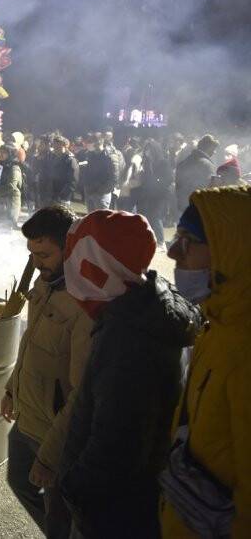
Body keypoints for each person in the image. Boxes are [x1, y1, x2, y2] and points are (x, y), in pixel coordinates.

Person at [58, 210, 200, 538]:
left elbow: (116, 447)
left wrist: (73, 487)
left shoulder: (128, 338)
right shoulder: (144, 305)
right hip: (127, 504)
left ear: (93, 266)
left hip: (110, 514)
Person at [161, 188, 250, 538]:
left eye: (189, 241)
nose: (171, 252)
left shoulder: (243, 349)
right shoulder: (219, 322)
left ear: (235, 251)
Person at [1, 206, 89, 538]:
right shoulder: (45, 281)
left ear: (71, 248)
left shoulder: (84, 305)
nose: (37, 262)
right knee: (18, 482)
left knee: (60, 516)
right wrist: (11, 388)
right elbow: (31, 343)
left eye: (45, 254)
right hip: (27, 415)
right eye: (32, 254)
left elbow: (81, 393)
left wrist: (50, 457)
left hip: (55, 434)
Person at [135, 139, 173, 249]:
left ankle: (161, 243)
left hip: (160, 195)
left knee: (155, 217)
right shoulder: (146, 163)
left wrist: (157, 182)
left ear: (155, 150)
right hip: (147, 194)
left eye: (149, 149)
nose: (147, 152)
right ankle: (149, 240)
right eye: (146, 149)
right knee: (146, 216)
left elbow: (169, 178)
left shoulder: (163, 162)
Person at [174, 135, 218, 212]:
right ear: (209, 147)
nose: (215, 151)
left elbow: (178, 183)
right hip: (200, 207)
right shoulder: (207, 165)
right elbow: (211, 188)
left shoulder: (185, 162)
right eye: (214, 148)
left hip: (183, 205)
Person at [0, 143, 24, 229]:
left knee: (7, 227)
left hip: (11, 201)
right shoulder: (0, 165)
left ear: (10, 154)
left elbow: (11, 186)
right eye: (0, 152)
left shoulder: (14, 167)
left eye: (4, 152)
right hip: (0, 200)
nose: (1, 154)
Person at [47, 136, 79, 208]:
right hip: (53, 195)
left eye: (58, 147)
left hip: (62, 198)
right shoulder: (53, 157)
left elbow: (73, 181)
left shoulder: (70, 160)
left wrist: (63, 195)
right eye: (54, 147)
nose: (55, 149)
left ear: (65, 146)